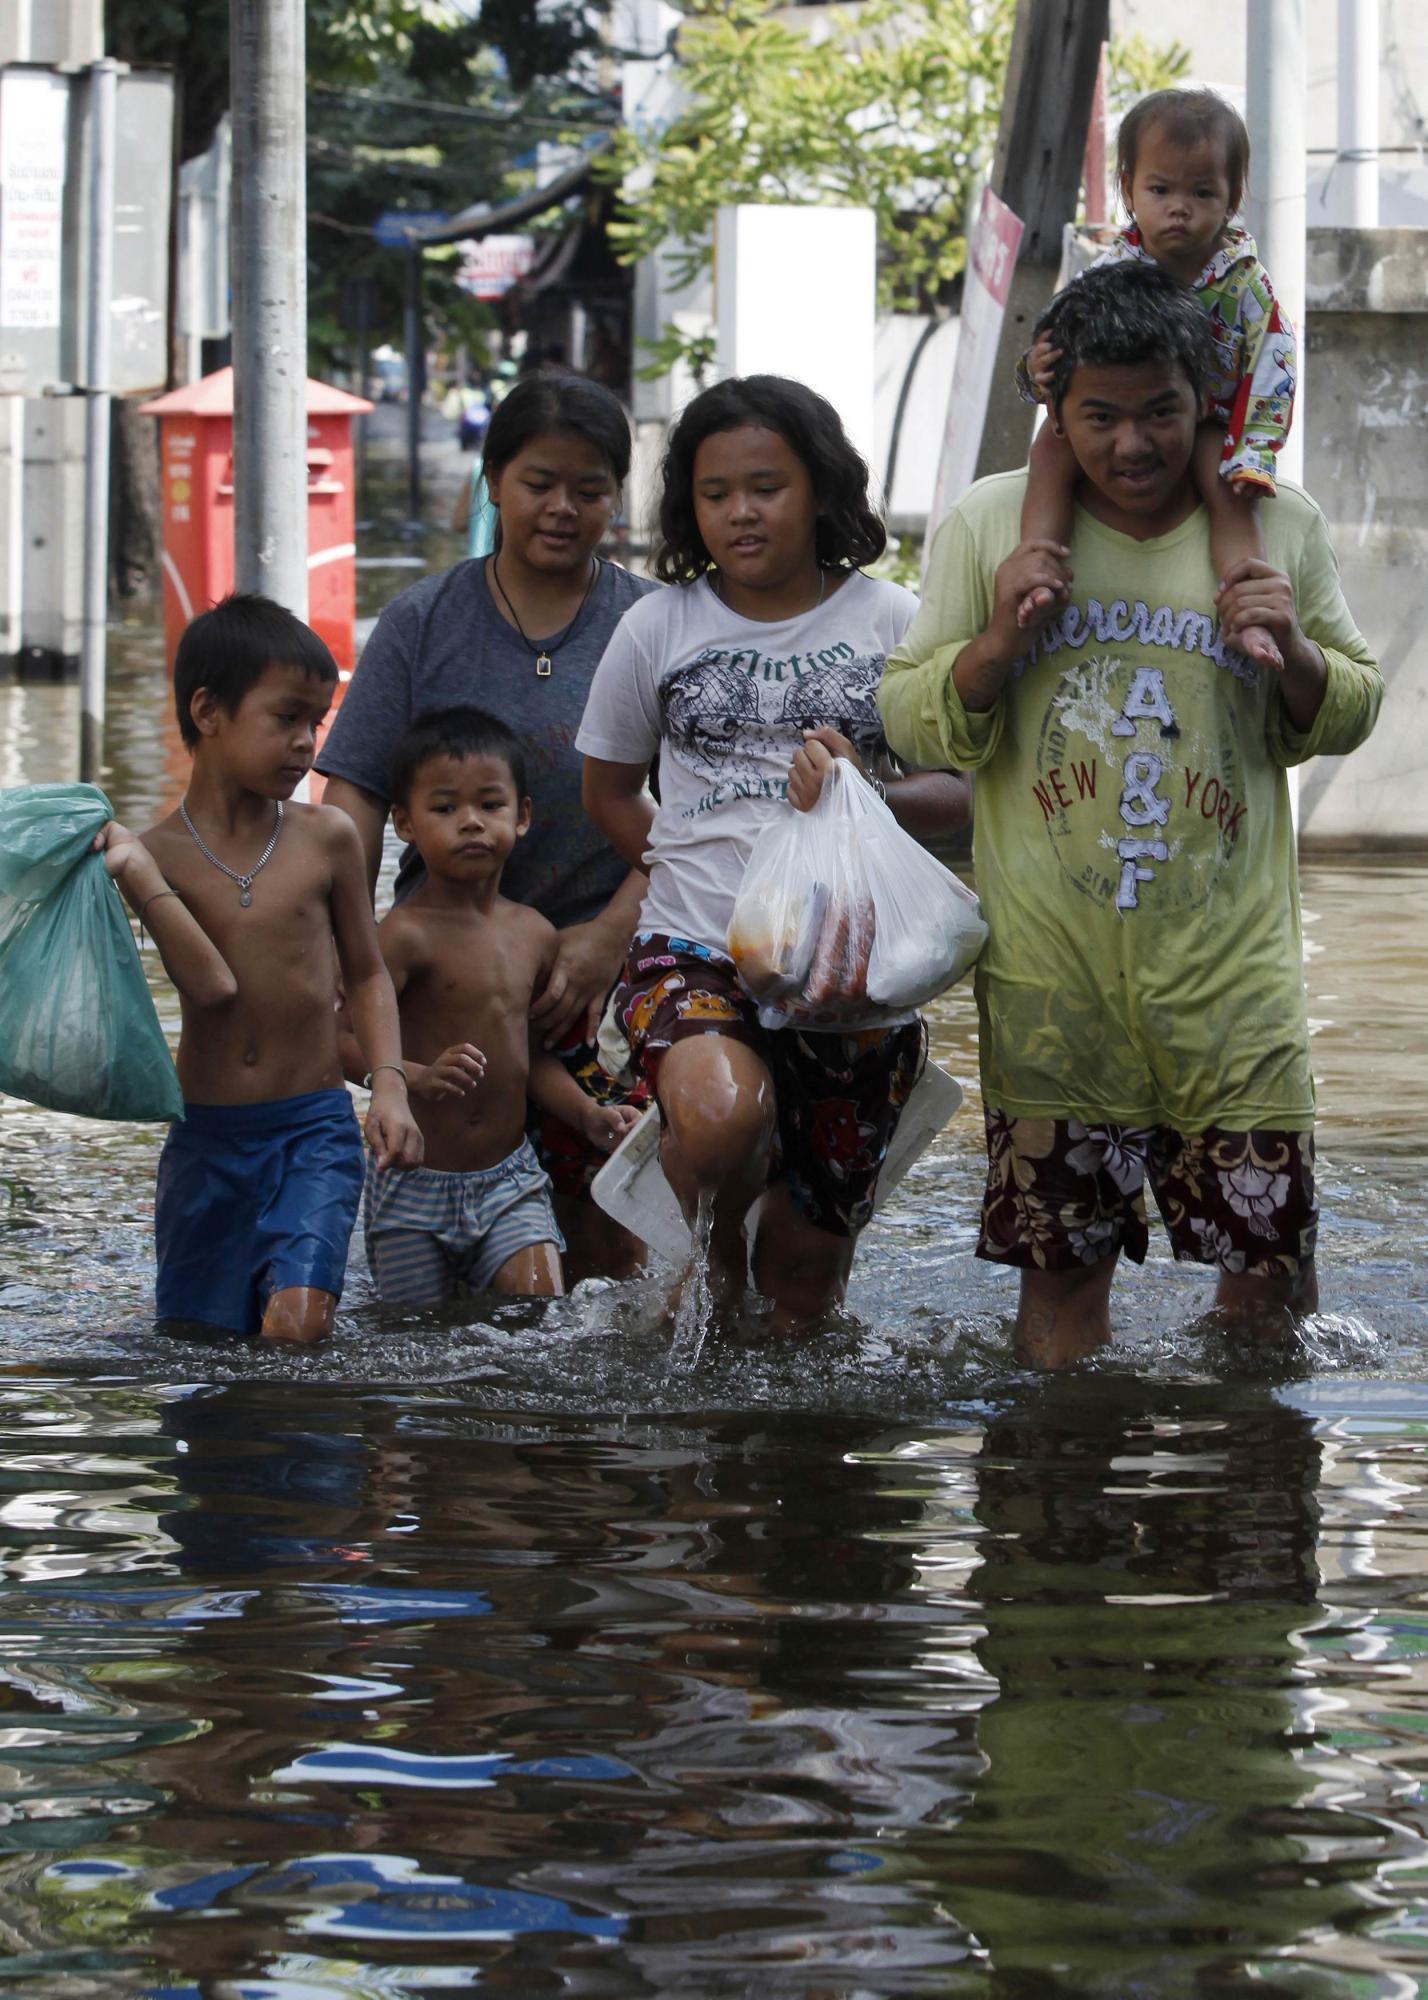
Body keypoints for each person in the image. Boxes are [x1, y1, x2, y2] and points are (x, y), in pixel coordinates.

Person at [877, 260, 1382, 1370]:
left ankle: (1231, 1513)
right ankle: (1066, 1537)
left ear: (1204, 399)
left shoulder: (1272, 522)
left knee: (1264, 1310)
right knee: (1056, 1318)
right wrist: (999, 644)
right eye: (1099, 416)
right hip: (1056, 1006)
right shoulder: (989, 522)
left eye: (1160, 411)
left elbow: (1351, 704)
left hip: (1235, 1002)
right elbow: (911, 718)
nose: (1134, 444)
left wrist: (1291, 648)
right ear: (1057, 410)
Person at [579, 374, 972, 1334]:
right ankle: (703, 1260)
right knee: (718, 1118)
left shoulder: (895, 622)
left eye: (767, 487)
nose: (741, 513)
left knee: (800, 1300)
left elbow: (964, 799)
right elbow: (609, 790)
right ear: (689, 508)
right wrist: (681, 874)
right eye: (715, 494)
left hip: (851, 975)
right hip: (697, 947)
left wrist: (863, 788)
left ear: (822, 490)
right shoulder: (657, 626)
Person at [318, 373, 658, 1283]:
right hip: (443, 976)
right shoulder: (422, 622)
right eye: (540, 483)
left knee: (607, 1241)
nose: (563, 509)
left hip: (597, 980)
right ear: (493, 480)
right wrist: (340, 956)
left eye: (590, 491)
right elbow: (347, 801)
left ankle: (580, 1429)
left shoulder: (651, 623)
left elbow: (700, 813)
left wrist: (604, 939)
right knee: (433, 1235)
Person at [92, 595, 423, 1345]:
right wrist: (134, 875)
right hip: (204, 1140)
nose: (307, 742)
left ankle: (318, 1462)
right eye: (286, 718)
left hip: (310, 1129)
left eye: (317, 721)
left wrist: (390, 1085)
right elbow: (208, 988)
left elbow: (367, 976)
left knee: (297, 1326)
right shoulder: (151, 856)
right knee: (200, 1345)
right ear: (208, 711)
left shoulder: (326, 838)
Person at [347, 707, 640, 1307]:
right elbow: (341, 1041)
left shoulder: (535, 935)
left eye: (490, 805)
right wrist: (414, 1079)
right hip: (411, 1181)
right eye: (446, 808)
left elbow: (527, 1057)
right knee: (416, 1342)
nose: (472, 823)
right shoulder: (404, 935)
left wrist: (587, 1114)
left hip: (509, 1178)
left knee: (542, 1315)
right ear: (403, 822)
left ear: (523, 816)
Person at [1018, 87, 1294, 672]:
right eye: (1160, 190)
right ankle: (1036, 566)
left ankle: (1249, 614)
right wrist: (1037, 372)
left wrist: (1255, 450)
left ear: (1233, 197)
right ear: (1128, 190)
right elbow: (1053, 340)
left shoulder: (1245, 284)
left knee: (1227, 493)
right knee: (1049, 449)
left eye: (1202, 192)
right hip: (1118, 411)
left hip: (1202, 420)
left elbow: (1275, 362)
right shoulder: (1111, 269)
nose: (1179, 209)